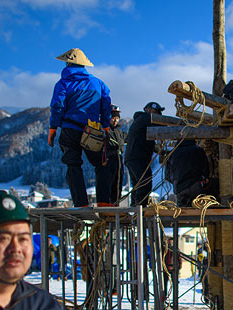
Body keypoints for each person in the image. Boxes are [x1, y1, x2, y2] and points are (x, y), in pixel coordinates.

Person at [48, 48, 112, 208]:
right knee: (101, 164)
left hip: (70, 129)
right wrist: (105, 126)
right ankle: (104, 201)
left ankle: (81, 203)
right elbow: (106, 106)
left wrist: (53, 128)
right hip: (92, 129)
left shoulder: (62, 83)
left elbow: (57, 106)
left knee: (73, 165)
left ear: (67, 63)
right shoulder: (99, 84)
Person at [125, 102, 165, 206]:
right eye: (157, 113)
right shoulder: (145, 118)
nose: (158, 116)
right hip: (138, 158)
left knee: (138, 186)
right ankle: (140, 211)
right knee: (144, 185)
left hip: (133, 158)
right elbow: (160, 124)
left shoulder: (141, 122)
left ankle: (135, 211)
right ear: (150, 110)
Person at [165, 139, 211, 206]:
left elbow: (167, 175)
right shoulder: (198, 150)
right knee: (200, 210)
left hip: (180, 187)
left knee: (183, 212)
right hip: (196, 185)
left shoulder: (172, 153)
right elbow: (205, 169)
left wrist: (176, 181)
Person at [105, 104, 126, 205]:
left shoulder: (119, 132)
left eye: (117, 118)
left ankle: (116, 204)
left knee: (118, 184)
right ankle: (109, 205)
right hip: (109, 159)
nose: (115, 120)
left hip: (119, 159)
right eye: (113, 118)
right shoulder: (104, 130)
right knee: (109, 184)